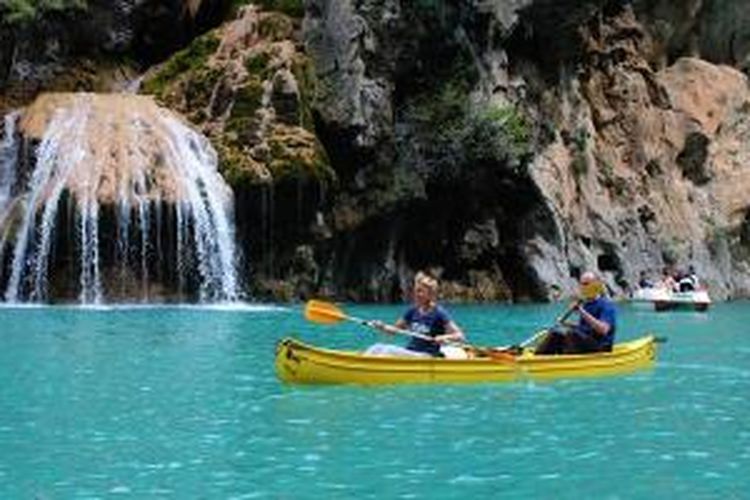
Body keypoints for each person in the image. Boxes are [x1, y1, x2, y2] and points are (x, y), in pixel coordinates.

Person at [365, 271, 465, 357]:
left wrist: (444, 337)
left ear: (430, 294)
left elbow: (460, 336)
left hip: (426, 355)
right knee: (376, 347)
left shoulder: (439, 313)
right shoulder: (413, 311)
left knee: (387, 350)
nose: (416, 294)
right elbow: (393, 331)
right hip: (411, 352)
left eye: (420, 291)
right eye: (415, 291)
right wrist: (381, 326)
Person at [535, 271, 617, 355]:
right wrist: (566, 324)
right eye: (581, 284)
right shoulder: (586, 304)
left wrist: (581, 311)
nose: (583, 287)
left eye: (586, 284)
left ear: (596, 285)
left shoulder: (607, 305)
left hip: (600, 347)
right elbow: (584, 328)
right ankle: (538, 357)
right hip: (585, 342)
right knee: (556, 334)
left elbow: (603, 330)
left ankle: (566, 359)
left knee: (572, 334)